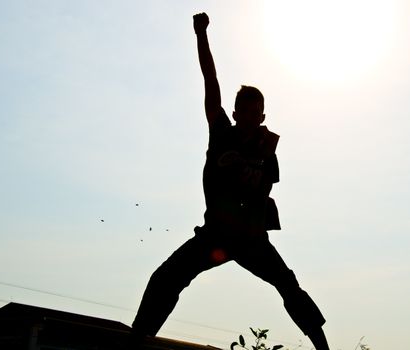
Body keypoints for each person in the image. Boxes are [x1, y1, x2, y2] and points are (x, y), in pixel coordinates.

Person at [130, 13, 330, 350]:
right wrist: (201, 35)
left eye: (256, 114)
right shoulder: (221, 133)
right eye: (244, 112)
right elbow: (211, 81)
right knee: (166, 278)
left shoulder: (268, 151)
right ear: (236, 114)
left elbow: (265, 188)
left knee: (288, 285)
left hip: (251, 239)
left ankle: (323, 346)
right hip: (216, 235)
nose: (250, 119)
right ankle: (137, 340)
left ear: (262, 117)